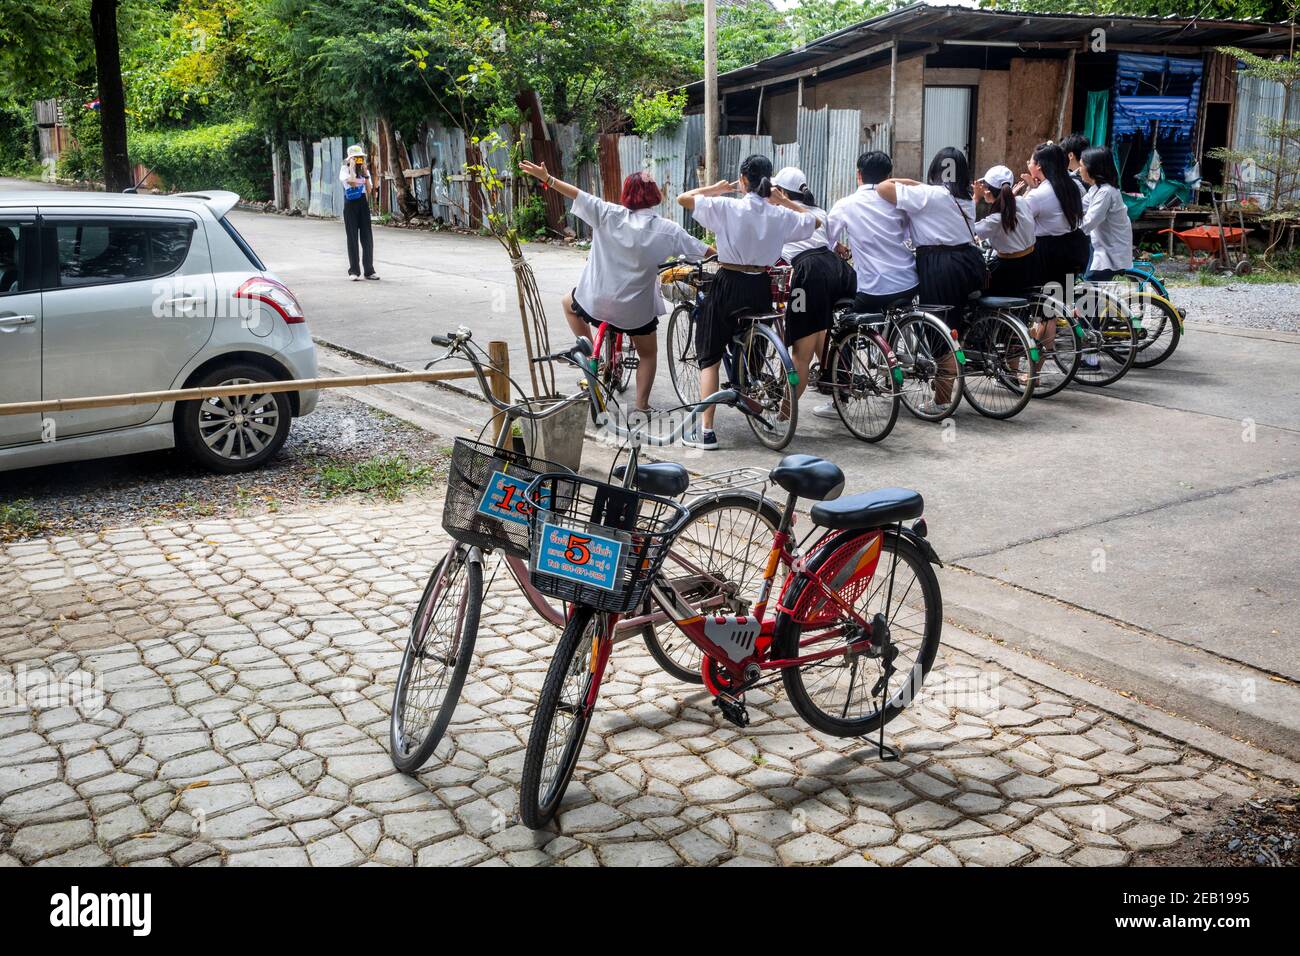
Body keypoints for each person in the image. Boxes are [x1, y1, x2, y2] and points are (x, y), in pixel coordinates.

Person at [519, 160, 709, 414]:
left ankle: (588, 351)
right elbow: (707, 252)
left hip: (595, 301)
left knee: (568, 303)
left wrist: (548, 178)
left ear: (626, 195)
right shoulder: (669, 231)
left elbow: (575, 192)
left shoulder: (608, 213)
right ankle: (641, 404)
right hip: (635, 313)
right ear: (655, 196)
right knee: (648, 355)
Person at [678, 153, 819, 450]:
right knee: (754, 340)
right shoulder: (779, 214)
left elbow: (683, 199)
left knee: (710, 357)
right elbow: (814, 221)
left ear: (743, 180)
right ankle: (750, 390)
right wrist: (784, 201)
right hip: (760, 286)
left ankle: (706, 432)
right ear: (771, 184)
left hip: (729, 283)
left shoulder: (728, 206)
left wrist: (716, 188)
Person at [820, 150, 919, 420]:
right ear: (889, 175)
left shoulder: (846, 204)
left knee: (845, 331)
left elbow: (826, 240)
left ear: (858, 174)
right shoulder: (898, 201)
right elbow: (911, 235)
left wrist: (840, 247)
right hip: (909, 282)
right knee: (899, 313)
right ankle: (894, 363)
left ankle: (841, 394)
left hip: (873, 287)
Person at [875, 147, 987, 320]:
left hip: (940, 265)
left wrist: (918, 183)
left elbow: (883, 187)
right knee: (960, 318)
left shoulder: (927, 194)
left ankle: (947, 347)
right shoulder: (966, 198)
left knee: (938, 323)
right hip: (969, 261)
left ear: (935, 169)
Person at [770, 166, 849, 402]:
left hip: (808, 277)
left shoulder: (780, 216)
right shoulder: (820, 212)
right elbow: (831, 243)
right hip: (838, 272)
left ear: (782, 192)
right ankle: (838, 387)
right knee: (821, 330)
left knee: (800, 355)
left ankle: (784, 414)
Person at [1020, 142, 1088, 298]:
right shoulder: (1074, 186)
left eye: (1030, 161)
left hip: (1048, 254)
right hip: (1074, 248)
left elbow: (1019, 217)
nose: (1029, 164)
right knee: (1057, 303)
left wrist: (1029, 189)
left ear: (1038, 166)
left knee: (1043, 308)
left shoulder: (1038, 195)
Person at [973, 164, 1039, 297]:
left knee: (974, 290)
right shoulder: (1021, 201)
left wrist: (976, 198)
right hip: (1031, 263)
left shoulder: (996, 220)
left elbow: (967, 229)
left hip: (1008, 270)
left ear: (988, 191)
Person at [1078, 147, 1134, 280]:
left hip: (1109, 250)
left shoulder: (1106, 192)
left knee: (1089, 288)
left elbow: (1088, 222)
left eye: (1081, 166)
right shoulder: (1096, 189)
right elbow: (1078, 207)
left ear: (1092, 168)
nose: (1078, 170)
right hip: (1102, 245)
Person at [340, 144, 379, 281]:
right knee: (352, 238)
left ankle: (369, 270)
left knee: (367, 237)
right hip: (350, 204)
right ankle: (354, 271)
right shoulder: (344, 170)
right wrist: (351, 168)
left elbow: (369, 190)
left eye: (360, 158)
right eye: (356, 158)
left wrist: (366, 173)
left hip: (362, 203)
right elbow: (352, 183)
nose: (358, 160)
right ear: (350, 159)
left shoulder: (364, 171)